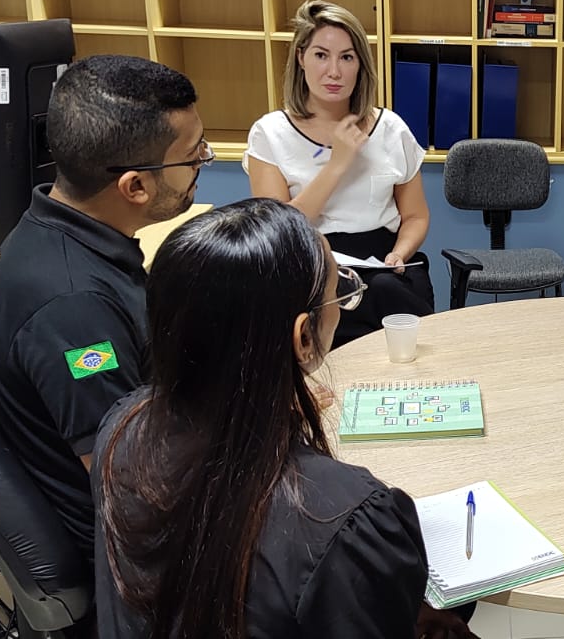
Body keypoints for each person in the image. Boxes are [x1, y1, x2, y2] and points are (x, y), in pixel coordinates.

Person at [95, 199, 475, 638]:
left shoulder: (121, 427)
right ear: (302, 338)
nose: (344, 302)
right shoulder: (344, 519)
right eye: (341, 293)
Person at [0, 54, 206, 560]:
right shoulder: (75, 310)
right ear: (135, 187)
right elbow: (136, 485)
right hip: (137, 557)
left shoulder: (58, 229)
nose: (203, 162)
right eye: (194, 156)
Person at [246, 0, 433, 342]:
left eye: (346, 57)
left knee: (399, 308)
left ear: (360, 64)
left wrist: (399, 253)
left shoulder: (391, 127)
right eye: (321, 55)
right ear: (300, 57)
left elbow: (416, 216)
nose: (334, 71)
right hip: (311, 267)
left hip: (384, 266)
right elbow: (279, 232)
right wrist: (337, 166)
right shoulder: (269, 133)